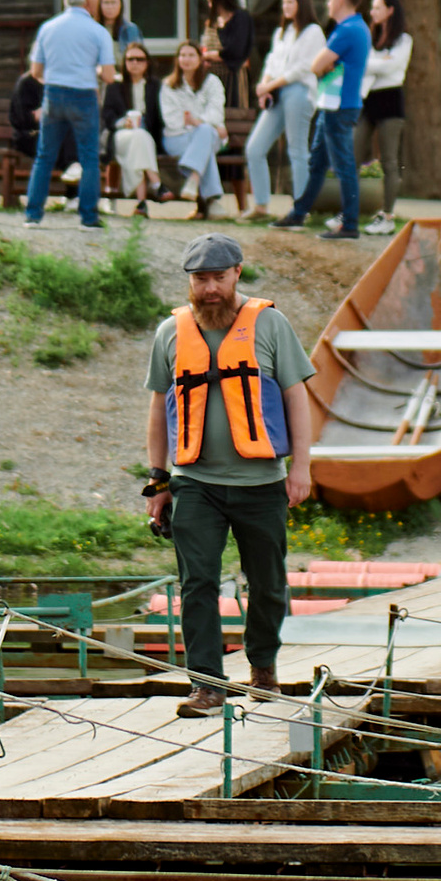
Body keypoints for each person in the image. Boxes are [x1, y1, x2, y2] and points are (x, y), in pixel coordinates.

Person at [141, 232, 315, 712]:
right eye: (200, 279)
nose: (210, 288)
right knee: (196, 581)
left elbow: (298, 397)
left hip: (262, 483)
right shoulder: (170, 333)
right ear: (189, 282)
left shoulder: (271, 325)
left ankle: (263, 668)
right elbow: (159, 410)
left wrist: (300, 467)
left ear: (238, 273)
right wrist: (157, 482)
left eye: (219, 277)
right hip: (195, 484)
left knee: (267, 582)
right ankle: (207, 685)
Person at [287, 0, 372, 240]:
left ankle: (350, 224)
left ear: (342, 0)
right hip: (333, 104)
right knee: (318, 162)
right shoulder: (355, 27)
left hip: (339, 105)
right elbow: (323, 63)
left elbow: (316, 64)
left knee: (343, 165)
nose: (327, 3)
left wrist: (324, 65)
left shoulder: (347, 29)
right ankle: (299, 212)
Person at [24, 0, 111, 230]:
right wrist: (89, 71)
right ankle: (89, 217)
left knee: (45, 156)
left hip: (53, 93)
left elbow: (36, 72)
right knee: (89, 158)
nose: (98, 1)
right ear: (87, 0)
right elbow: (109, 75)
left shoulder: (48, 27)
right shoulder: (98, 31)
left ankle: (33, 215)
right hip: (83, 95)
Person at [240, 0, 325, 221]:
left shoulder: (313, 32)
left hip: (298, 91)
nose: (286, 7)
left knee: (296, 149)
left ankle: (301, 208)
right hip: (276, 92)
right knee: (255, 148)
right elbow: (272, 61)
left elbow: (304, 67)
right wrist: (264, 85)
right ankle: (261, 206)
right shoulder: (282, 32)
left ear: (302, 4)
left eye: (291, 2)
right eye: (284, 3)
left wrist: (271, 85)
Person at [358, 0, 410, 235]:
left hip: (390, 100)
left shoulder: (404, 40)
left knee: (389, 161)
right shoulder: (370, 37)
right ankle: (348, 210)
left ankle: (387, 215)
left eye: (377, 7)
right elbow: (363, 64)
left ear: (390, 10)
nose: (372, 12)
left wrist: (374, 65)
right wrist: (380, 64)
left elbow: (395, 67)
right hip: (368, 99)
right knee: (354, 152)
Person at [158, 40, 229, 212]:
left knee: (204, 133)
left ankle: (194, 178)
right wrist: (206, 124)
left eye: (191, 55)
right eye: (183, 55)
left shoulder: (212, 82)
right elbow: (172, 120)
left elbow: (217, 113)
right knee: (205, 139)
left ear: (200, 59)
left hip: (208, 136)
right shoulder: (169, 85)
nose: (186, 59)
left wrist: (196, 121)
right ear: (177, 59)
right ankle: (212, 202)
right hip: (177, 138)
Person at [111, 40, 162, 206]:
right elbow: (107, 117)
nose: (135, 63)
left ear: (147, 62)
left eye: (139, 59)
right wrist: (121, 122)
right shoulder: (115, 86)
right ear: (124, 62)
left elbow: (160, 118)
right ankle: (156, 183)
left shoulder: (155, 86)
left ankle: (141, 203)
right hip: (121, 136)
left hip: (146, 137)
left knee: (140, 139)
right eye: (130, 59)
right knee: (139, 138)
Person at [199, 0, 256, 103]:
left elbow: (236, 51)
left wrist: (208, 55)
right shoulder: (212, 22)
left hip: (232, 78)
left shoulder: (240, 18)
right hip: (211, 76)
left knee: (232, 115)